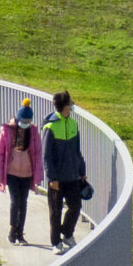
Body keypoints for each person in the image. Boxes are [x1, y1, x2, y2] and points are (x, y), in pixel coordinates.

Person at [43, 91, 89, 252]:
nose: (72, 106)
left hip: (73, 177)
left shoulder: (73, 124)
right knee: (55, 212)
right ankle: (56, 243)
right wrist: (52, 177)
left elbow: (77, 151)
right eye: (70, 103)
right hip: (57, 179)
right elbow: (47, 156)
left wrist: (82, 171)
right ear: (64, 107)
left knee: (75, 207)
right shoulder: (51, 127)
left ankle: (67, 233)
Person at [0, 100, 43, 245]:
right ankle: (12, 230)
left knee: (23, 202)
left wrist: (38, 175)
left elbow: (37, 154)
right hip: (12, 173)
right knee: (15, 201)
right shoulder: (8, 131)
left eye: (28, 120)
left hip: (26, 174)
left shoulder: (33, 132)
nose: (25, 123)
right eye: (23, 120)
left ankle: (20, 233)